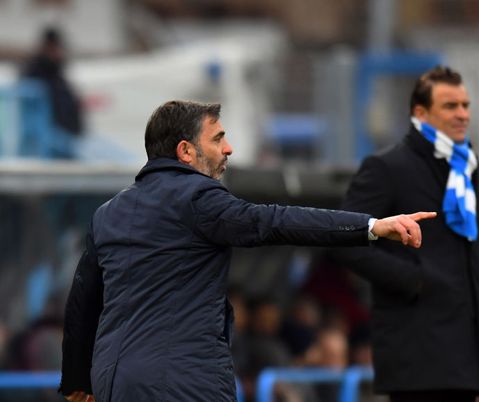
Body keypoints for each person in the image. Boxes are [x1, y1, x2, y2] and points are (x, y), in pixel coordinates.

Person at [58, 100, 436, 402]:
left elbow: (83, 303)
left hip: (113, 381)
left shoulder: (108, 214)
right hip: (182, 382)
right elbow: (273, 221)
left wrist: (78, 381)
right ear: (186, 151)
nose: (229, 148)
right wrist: (369, 227)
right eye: (218, 138)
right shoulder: (198, 197)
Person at [338, 66, 479, 402]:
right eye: (450, 106)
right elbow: (345, 239)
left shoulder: (471, 168)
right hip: (415, 353)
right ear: (420, 113)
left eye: (465, 105)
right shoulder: (387, 167)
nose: (462, 114)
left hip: (468, 352)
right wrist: (415, 280)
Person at [21, 26, 83, 156]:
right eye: (56, 48)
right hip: (51, 137)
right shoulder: (36, 74)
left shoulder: (57, 75)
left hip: (67, 135)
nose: (59, 53)